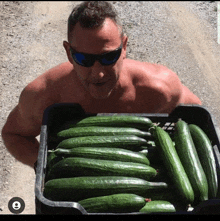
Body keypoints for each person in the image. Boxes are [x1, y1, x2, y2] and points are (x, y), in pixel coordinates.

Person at [2, 1, 202, 168]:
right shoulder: (43, 95)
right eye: (84, 58)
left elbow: (199, 123)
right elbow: (13, 134)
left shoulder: (160, 89)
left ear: (124, 48)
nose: (97, 73)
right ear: (68, 52)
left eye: (109, 57)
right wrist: (49, 167)